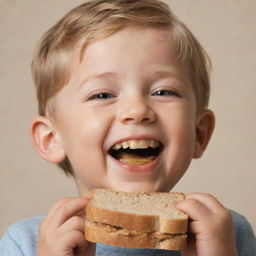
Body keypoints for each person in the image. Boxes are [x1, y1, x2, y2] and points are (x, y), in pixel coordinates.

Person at [0, 0, 255, 255]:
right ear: (52, 139)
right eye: (102, 95)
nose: (137, 110)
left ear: (199, 133)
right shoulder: (25, 243)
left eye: (163, 91)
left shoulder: (228, 234)